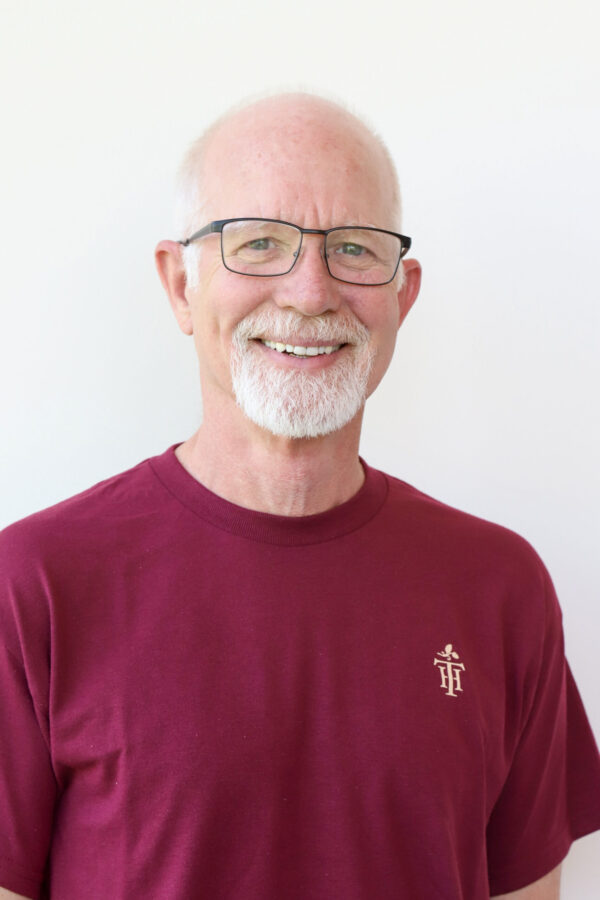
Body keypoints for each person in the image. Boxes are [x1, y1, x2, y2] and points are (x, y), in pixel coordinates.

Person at [1, 93, 599, 900]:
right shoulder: (34, 583)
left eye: (353, 248)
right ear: (181, 285)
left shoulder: (500, 587)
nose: (311, 292)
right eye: (259, 244)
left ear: (402, 296)